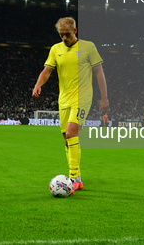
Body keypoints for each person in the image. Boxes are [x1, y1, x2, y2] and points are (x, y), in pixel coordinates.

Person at [33, 17, 109, 191]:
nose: (64, 39)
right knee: (67, 140)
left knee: (71, 132)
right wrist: (38, 85)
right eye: (61, 35)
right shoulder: (55, 49)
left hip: (82, 96)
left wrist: (104, 97)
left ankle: (74, 177)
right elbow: (47, 71)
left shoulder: (88, 47)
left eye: (67, 35)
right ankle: (77, 176)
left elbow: (99, 72)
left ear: (75, 31)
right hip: (64, 99)